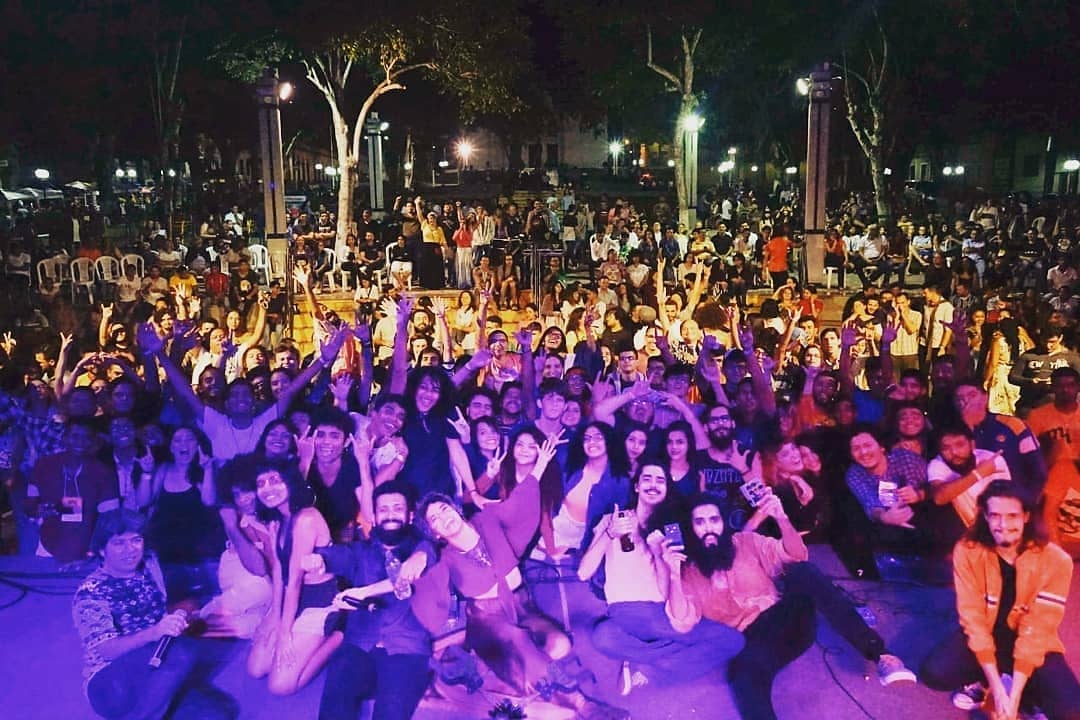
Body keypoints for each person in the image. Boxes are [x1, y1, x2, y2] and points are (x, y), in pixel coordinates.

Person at [578, 463, 745, 695]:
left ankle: (643, 665)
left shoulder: (672, 530)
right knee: (602, 636)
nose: (653, 485)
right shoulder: (612, 520)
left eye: (660, 480)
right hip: (625, 612)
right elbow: (583, 572)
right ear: (637, 486)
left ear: (667, 489)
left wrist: (658, 555)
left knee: (733, 640)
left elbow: (666, 591)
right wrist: (609, 534)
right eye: (647, 478)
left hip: (664, 614)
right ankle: (668, 660)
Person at [921, 482, 1080, 720]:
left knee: (1072, 711)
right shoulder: (967, 550)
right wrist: (996, 687)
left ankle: (1023, 693)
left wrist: (1012, 697)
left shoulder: (1057, 561)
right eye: (995, 515)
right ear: (985, 516)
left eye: (1012, 516)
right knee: (935, 674)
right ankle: (988, 681)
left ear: (1026, 516)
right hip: (986, 635)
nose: (1003, 525)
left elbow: (1038, 628)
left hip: (1033, 642)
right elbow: (972, 617)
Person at [72, 510, 237, 720]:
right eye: (119, 543)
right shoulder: (91, 593)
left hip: (155, 667)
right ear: (102, 550)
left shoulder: (150, 564)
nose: (130, 550)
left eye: (136, 540)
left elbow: (166, 606)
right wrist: (154, 632)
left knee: (217, 714)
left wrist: (183, 613)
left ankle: (155, 707)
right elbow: (106, 651)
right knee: (183, 650)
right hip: (110, 684)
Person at [665, 492, 814, 720]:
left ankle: (871, 646)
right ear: (690, 528)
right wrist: (674, 574)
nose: (709, 528)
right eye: (700, 522)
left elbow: (796, 555)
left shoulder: (745, 542)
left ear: (723, 522)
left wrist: (782, 519)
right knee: (743, 678)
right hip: (749, 642)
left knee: (805, 576)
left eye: (714, 520)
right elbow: (682, 623)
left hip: (782, 620)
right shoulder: (688, 573)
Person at [304, 481, 436, 720]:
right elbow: (336, 556)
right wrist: (318, 560)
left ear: (410, 516)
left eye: (397, 508)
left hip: (406, 649)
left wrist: (421, 554)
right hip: (359, 645)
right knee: (333, 710)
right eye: (383, 509)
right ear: (374, 517)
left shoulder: (424, 551)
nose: (390, 515)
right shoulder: (360, 552)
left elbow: (421, 561)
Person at [246, 461, 343, 696]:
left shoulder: (306, 518)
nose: (267, 488)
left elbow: (295, 581)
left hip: (319, 601)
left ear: (290, 482)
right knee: (255, 669)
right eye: (261, 484)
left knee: (280, 686)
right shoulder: (280, 520)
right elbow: (279, 572)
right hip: (292, 599)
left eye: (274, 480)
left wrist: (284, 631)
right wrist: (273, 615)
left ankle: (339, 636)